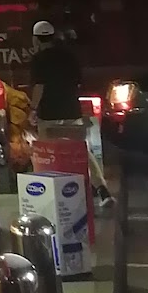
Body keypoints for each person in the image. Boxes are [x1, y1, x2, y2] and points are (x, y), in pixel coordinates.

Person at [29, 19, 113, 207]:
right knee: (80, 151)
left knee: (49, 154)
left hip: (48, 116)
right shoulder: (69, 56)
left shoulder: (38, 59)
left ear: (36, 39)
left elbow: (39, 87)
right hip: (72, 113)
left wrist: (33, 109)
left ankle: (56, 196)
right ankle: (102, 190)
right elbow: (77, 83)